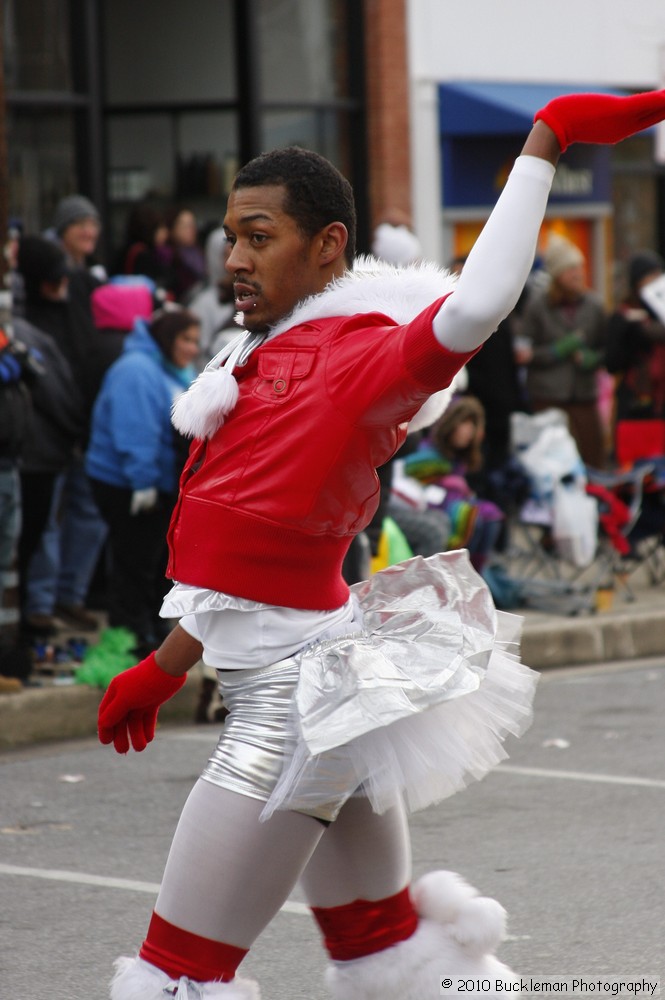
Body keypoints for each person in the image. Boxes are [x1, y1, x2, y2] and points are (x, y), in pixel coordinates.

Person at [97, 89, 665, 999]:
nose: (234, 259)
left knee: (177, 975)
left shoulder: (358, 357)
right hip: (320, 693)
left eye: (259, 236)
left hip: (293, 716)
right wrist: (166, 666)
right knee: (389, 956)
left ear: (327, 246)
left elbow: (477, 304)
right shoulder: (262, 353)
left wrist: (545, 139)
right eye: (231, 238)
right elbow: (244, 566)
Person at [86, 309, 200, 654]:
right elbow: (136, 432)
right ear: (167, 339)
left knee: (152, 561)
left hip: (154, 482)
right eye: (186, 340)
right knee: (133, 563)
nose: (193, 349)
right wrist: (143, 482)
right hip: (128, 485)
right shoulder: (138, 370)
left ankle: (149, 630)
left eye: (196, 340)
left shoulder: (167, 368)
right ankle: (130, 638)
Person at [522, 232, 608, 468]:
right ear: (557, 274)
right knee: (552, 462)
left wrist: (593, 359)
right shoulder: (538, 306)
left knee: (593, 456)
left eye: (580, 267)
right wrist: (556, 351)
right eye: (571, 269)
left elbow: (609, 349)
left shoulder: (595, 305)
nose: (578, 273)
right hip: (548, 396)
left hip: (584, 395)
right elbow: (523, 353)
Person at [403, 395, 506, 573]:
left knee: (491, 515)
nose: (469, 430)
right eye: (465, 422)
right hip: (427, 504)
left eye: (473, 424)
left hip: (447, 503)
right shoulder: (428, 453)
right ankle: (458, 572)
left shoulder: (459, 461)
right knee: (472, 517)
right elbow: (415, 485)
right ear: (451, 423)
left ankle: (473, 573)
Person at [187, 227, 236, 365]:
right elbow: (196, 353)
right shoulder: (203, 304)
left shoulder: (251, 296)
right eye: (227, 255)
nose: (234, 262)